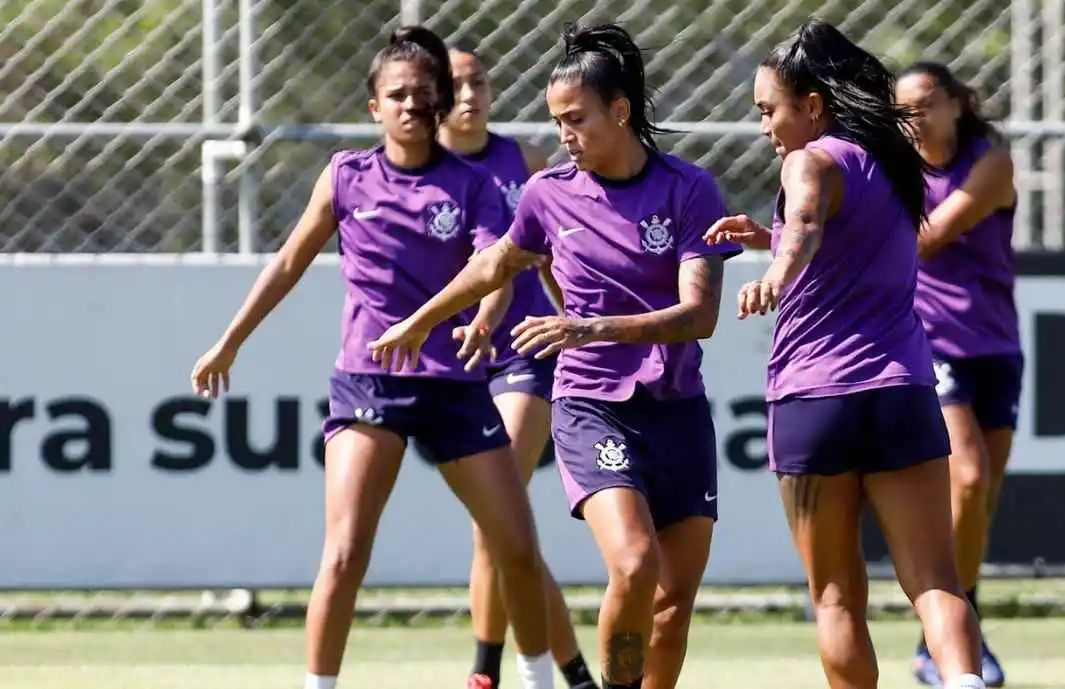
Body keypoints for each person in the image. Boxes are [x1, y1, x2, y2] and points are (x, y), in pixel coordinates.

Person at [367, 22, 742, 689]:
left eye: (576, 119)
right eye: (555, 121)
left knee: (672, 602)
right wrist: (419, 321)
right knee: (633, 564)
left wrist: (591, 325)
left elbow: (700, 315)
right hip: (591, 403)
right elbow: (493, 266)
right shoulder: (549, 193)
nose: (563, 134)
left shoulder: (690, 190)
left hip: (677, 407)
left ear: (619, 110)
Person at [189, 26, 557, 689]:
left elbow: (492, 265)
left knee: (517, 546)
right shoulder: (346, 176)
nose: (412, 106)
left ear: (440, 103)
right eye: (398, 95)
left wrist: (482, 315)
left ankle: (534, 679)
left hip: (452, 384)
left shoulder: (470, 183)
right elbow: (288, 261)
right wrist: (230, 339)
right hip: (370, 384)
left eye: (424, 95)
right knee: (345, 550)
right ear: (374, 108)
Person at [704, 19, 986, 689]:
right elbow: (822, 232)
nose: (765, 126)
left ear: (812, 105)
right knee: (937, 581)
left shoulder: (810, 161)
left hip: (815, 398)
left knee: (835, 594)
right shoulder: (893, 165)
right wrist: (768, 242)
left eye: (769, 109)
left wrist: (777, 269)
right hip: (901, 393)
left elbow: (805, 220)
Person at [439, 42, 595, 689]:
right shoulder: (417, 169)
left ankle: (485, 672)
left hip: (523, 355)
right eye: (458, 85)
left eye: (481, 81)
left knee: (494, 521)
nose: (472, 95)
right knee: (507, 531)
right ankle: (578, 674)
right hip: (452, 365)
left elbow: (538, 259)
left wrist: (578, 320)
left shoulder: (523, 163)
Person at [895, 61, 1020, 689]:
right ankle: (952, 628)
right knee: (966, 478)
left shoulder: (989, 161)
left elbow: (929, 237)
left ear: (955, 104)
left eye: (923, 106)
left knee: (982, 496)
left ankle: (943, 635)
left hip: (995, 345)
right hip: (930, 341)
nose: (912, 120)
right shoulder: (896, 170)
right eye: (902, 111)